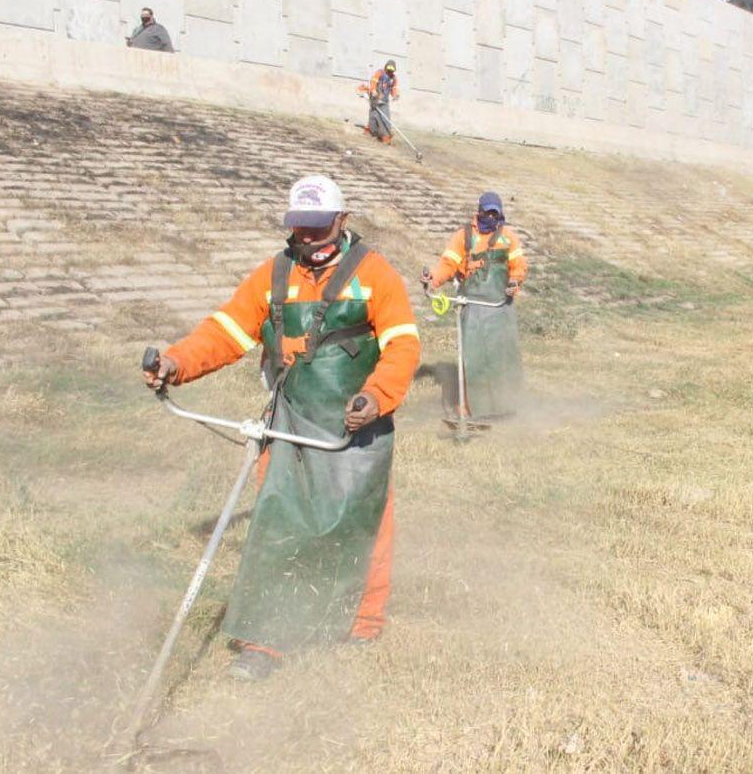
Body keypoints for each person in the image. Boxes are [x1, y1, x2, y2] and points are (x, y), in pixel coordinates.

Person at [142, 176, 420, 681]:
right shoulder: (274, 275)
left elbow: (403, 345)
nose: (308, 239)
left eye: (318, 228)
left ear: (343, 220)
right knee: (279, 518)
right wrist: (175, 364)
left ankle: (360, 622)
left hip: (357, 421)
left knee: (364, 519)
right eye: (299, 229)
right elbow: (226, 331)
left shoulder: (375, 276)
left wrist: (375, 397)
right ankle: (265, 640)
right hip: (290, 419)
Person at [421, 192, 528, 421]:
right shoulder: (464, 236)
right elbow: (448, 264)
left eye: (494, 213)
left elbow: (519, 267)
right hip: (473, 306)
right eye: (487, 212)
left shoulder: (508, 237)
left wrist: (514, 282)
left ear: (500, 214)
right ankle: (469, 407)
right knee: (473, 358)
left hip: (500, 307)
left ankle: (505, 405)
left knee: (502, 357)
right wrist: (434, 279)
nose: (490, 217)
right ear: (479, 211)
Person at [365, 60, 399, 144]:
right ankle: (371, 130)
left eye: (392, 70)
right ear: (385, 67)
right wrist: (373, 90)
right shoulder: (379, 73)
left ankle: (386, 135)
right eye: (388, 69)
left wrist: (395, 95)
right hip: (375, 98)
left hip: (384, 100)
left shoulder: (393, 78)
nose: (390, 72)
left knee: (386, 118)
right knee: (374, 116)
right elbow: (373, 81)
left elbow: (393, 88)